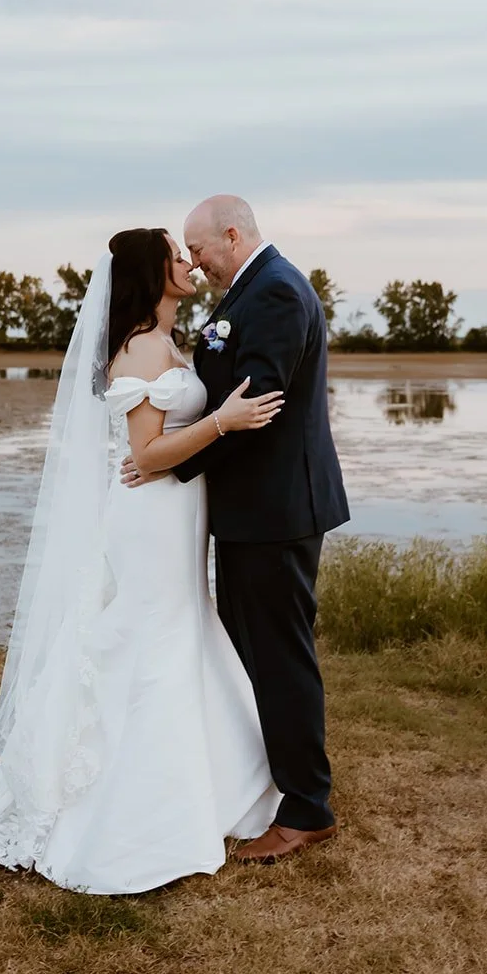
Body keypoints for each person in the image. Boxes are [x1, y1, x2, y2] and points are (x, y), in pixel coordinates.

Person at [0, 226, 286, 893]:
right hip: (150, 516)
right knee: (152, 634)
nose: (189, 263)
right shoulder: (137, 349)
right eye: (176, 256)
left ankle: (217, 781)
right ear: (153, 273)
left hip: (177, 516)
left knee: (181, 627)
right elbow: (146, 458)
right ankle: (130, 807)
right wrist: (223, 421)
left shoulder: (165, 340)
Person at [123, 194, 349, 862]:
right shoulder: (251, 290)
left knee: (280, 659)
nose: (196, 263)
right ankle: (277, 783)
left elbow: (257, 408)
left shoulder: (274, 292)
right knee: (256, 652)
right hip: (257, 509)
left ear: (230, 233)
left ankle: (307, 808)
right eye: (186, 256)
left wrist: (168, 466)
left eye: (200, 250)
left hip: (277, 511)